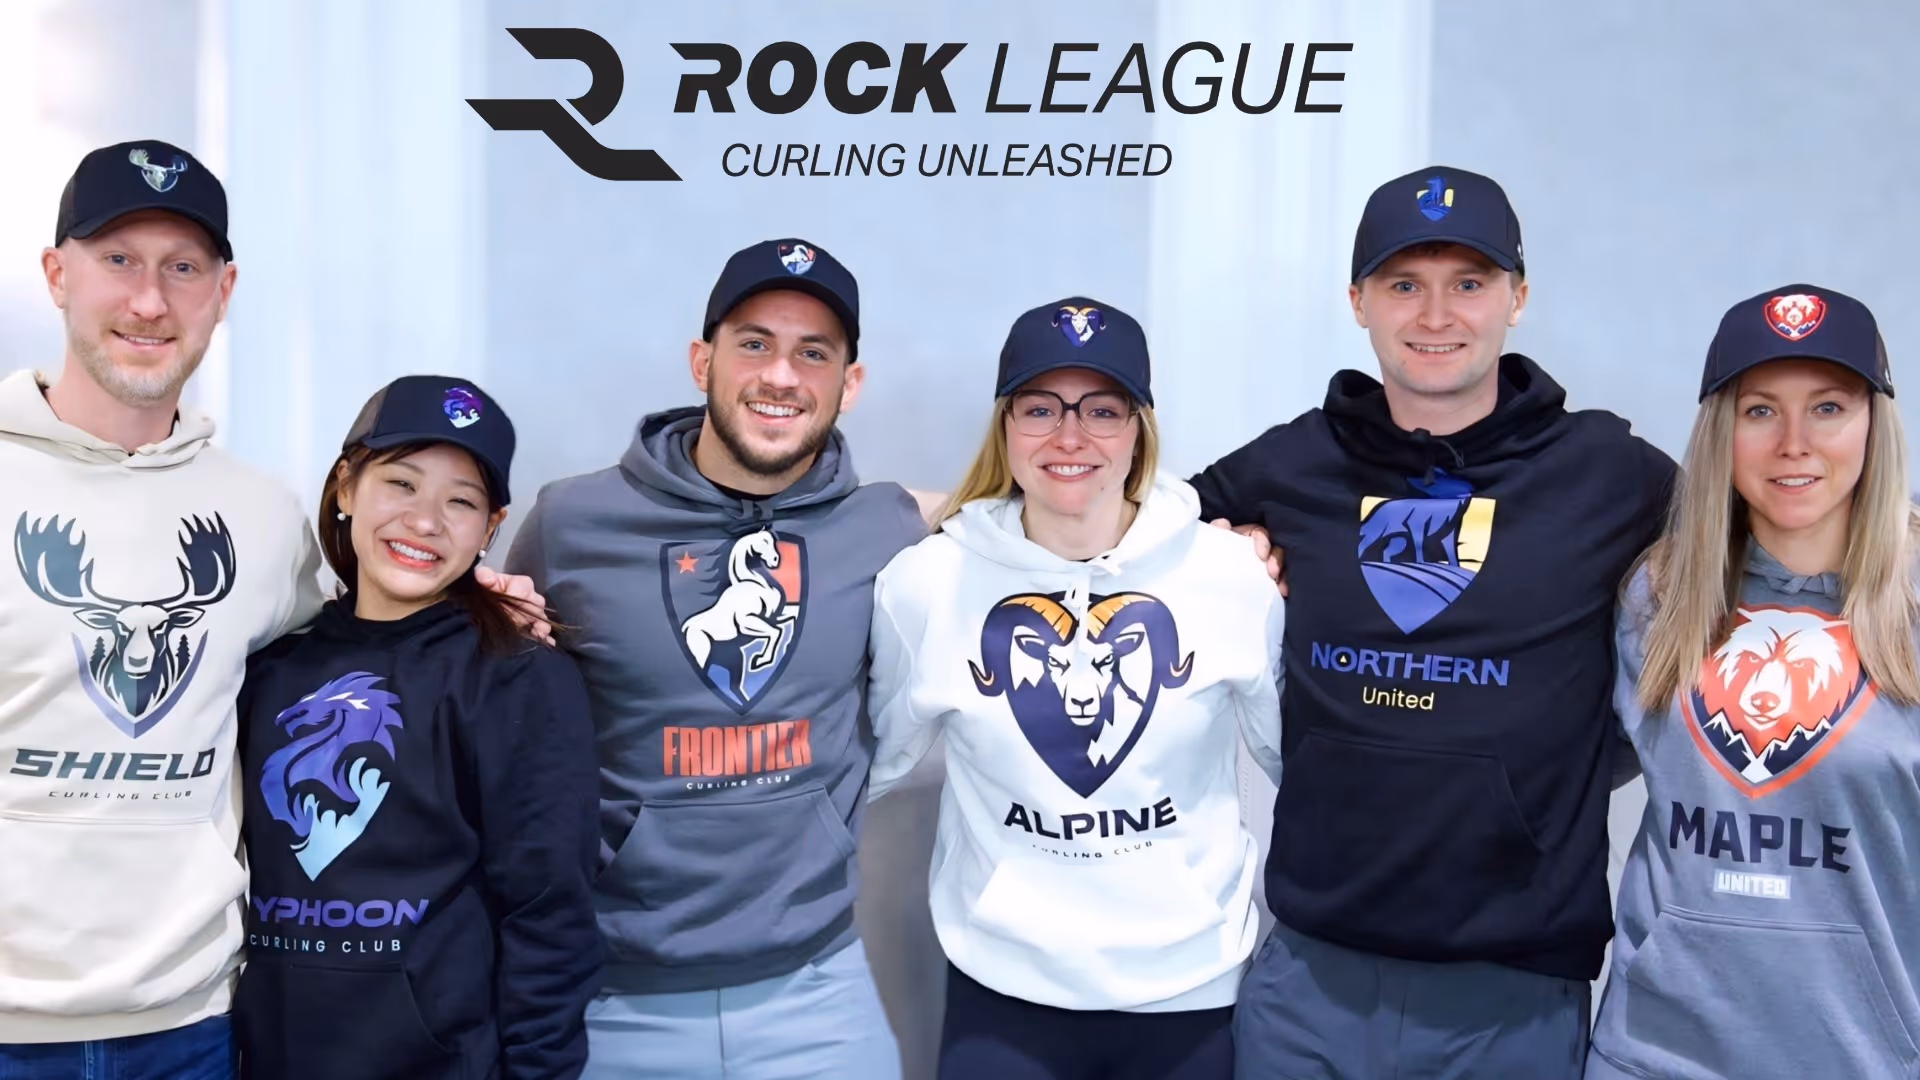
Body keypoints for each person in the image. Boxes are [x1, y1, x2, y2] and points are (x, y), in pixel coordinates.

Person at [0, 139, 548, 1080]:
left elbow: (356, 624)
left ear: (224, 289)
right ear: (57, 274)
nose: (148, 301)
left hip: (196, 1024)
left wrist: (467, 594)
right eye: (118, 260)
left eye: (183, 268)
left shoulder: (257, 518)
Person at [1188, 166, 1676, 1077]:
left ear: (1517, 299)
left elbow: (1774, 528)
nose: (1437, 314)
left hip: (1514, 990)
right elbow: (1124, 536)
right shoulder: (1296, 462)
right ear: (1359, 301)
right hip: (1308, 976)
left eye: (1470, 283)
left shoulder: (1610, 474)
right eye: (1405, 284)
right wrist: (1235, 543)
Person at [505, 238, 926, 1079]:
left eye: (814, 353)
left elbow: (1035, 502)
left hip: (817, 993)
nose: (781, 375)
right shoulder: (572, 523)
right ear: (703, 360)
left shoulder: (884, 528)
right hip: (615, 998)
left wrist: (1223, 527)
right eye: (754, 344)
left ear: (851, 384)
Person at [866, 297, 1284, 1079]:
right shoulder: (926, 585)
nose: (1069, 436)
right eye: (1039, 408)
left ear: (1138, 429)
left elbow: (1299, 763)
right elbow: (866, 767)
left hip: (1191, 996)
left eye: (1101, 409)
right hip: (1004, 997)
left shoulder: (1227, 577)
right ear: (1005, 426)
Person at [1588, 285, 1920, 1079]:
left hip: (1864, 1058)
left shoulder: (1912, 607)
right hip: (1652, 1054)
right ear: (1721, 434)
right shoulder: (1657, 598)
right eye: (1761, 410)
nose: (1794, 443)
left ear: (1875, 425)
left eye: (1830, 408)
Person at [233, 376, 601, 1079]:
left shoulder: (518, 678)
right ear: (346, 488)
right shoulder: (270, 666)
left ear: (491, 529)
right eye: (401, 483)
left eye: (460, 501)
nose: (425, 520)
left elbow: (551, 916)